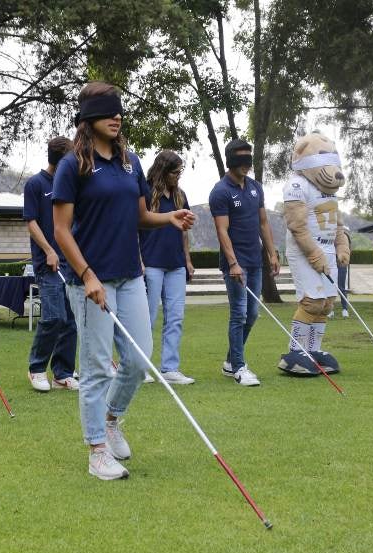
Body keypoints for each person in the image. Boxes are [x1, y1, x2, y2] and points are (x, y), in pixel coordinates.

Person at [53, 82, 195, 480]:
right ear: (87, 119)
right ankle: (97, 449)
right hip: (89, 280)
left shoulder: (129, 161)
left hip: (130, 275)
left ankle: (112, 418)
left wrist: (168, 218)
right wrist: (86, 275)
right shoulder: (73, 166)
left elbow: (139, 217)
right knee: (97, 366)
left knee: (137, 360)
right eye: (107, 111)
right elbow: (61, 231)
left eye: (118, 111)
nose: (116, 117)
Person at [208, 139, 280, 386]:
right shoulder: (220, 191)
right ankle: (239, 367)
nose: (247, 165)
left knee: (252, 313)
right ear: (231, 160)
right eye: (242, 160)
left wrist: (272, 253)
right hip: (235, 264)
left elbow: (263, 223)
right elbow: (222, 231)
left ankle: (230, 360)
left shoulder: (255, 188)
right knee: (238, 313)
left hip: (255, 261)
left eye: (249, 159)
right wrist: (232, 263)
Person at [277, 131, 350, 375]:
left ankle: (314, 350)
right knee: (312, 301)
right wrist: (314, 254)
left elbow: (337, 223)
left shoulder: (329, 191)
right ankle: (296, 351)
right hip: (305, 251)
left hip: (327, 248)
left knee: (327, 304)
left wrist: (342, 246)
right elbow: (296, 225)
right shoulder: (297, 185)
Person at [23, 136, 80, 393]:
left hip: (71, 261)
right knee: (54, 316)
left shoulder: (69, 183)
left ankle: (63, 373)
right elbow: (31, 222)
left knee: (70, 319)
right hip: (48, 263)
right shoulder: (35, 184)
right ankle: (36, 368)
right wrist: (48, 250)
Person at [140, 150, 195, 385]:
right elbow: (134, 227)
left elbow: (184, 230)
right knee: (147, 318)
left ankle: (170, 368)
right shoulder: (145, 191)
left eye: (180, 171)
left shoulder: (180, 195)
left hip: (176, 265)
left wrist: (188, 260)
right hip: (151, 263)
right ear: (163, 170)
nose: (178, 176)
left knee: (175, 318)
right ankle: (140, 367)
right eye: (175, 172)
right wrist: (139, 261)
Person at [329, 227, 351, 319]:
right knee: (330, 287)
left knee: (342, 287)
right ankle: (330, 310)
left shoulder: (345, 236)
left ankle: (344, 309)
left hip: (341, 263)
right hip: (331, 263)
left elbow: (348, 250)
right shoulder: (329, 235)